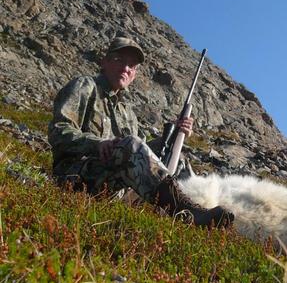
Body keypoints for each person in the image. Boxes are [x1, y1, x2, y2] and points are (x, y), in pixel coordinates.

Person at [48, 37, 234, 228]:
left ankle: (181, 215)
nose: (125, 68)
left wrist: (173, 138)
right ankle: (188, 213)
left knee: (175, 158)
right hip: (76, 178)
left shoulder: (127, 113)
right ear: (104, 61)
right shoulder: (85, 86)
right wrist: (97, 144)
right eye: (119, 60)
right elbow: (59, 130)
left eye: (132, 65)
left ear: (134, 75)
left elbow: (142, 156)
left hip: (116, 189)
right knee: (131, 144)